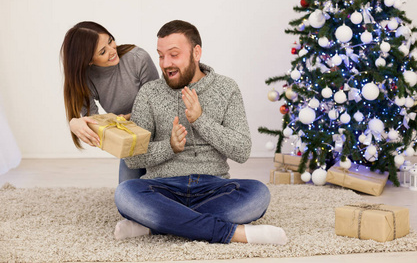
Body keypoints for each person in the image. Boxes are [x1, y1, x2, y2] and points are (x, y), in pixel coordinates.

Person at [113, 20, 288, 245]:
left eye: (174, 54)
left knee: (258, 194)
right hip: (162, 187)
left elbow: (242, 150)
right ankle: (234, 234)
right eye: (161, 55)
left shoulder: (227, 88)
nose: (165, 64)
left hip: (214, 187)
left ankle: (156, 225)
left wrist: (200, 120)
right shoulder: (149, 93)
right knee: (125, 193)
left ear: (196, 53)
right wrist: (170, 146)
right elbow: (133, 158)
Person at [60, 21, 159, 183]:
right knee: (125, 198)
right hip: (132, 143)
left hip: (160, 136)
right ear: (89, 60)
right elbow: (96, 124)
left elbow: (158, 106)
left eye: (110, 40)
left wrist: (124, 119)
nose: (113, 50)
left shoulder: (138, 58)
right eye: (103, 51)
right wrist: (74, 122)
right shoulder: (86, 79)